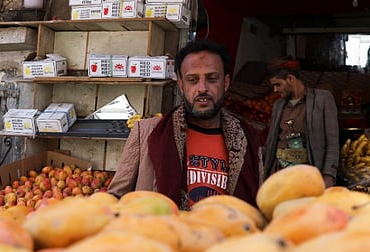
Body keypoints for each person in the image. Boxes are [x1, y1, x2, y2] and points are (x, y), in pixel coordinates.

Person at [106, 38, 264, 210]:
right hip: (162, 234)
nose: (202, 88)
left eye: (211, 79)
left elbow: (259, 205)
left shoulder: (247, 139)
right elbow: (114, 201)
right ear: (181, 85)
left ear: (225, 83)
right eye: (192, 80)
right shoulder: (146, 132)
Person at [263, 57, 340, 188]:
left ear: (290, 79)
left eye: (278, 84)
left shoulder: (323, 99)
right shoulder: (278, 105)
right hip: (279, 173)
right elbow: (273, 141)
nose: (275, 90)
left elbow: (332, 143)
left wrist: (329, 175)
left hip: (308, 175)